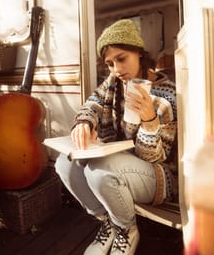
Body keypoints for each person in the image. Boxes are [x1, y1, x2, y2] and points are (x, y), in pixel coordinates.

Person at [55, 19, 177, 255]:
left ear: (139, 53)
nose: (116, 69)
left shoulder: (166, 93)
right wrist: (83, 122)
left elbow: (153, 158)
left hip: (157, 175)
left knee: (99, 170)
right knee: (64, 163)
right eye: (110, 64)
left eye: (122, 59)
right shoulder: (113, 83)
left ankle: (126, 230)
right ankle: (108, 221)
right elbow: (93, 103)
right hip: (119, 162)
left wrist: (150, 120)